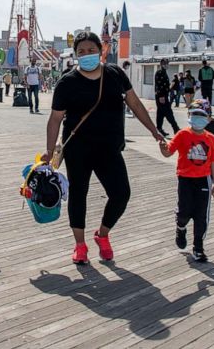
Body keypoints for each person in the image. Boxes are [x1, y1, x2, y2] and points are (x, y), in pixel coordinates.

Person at [45, 31, 165, 264]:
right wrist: (49, 151)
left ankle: (103, 234)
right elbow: (55, 119)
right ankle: (80, 245)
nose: (86, 55)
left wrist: (154, 131)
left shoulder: (115, 74)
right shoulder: (67, 82)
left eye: (91, 50)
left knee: (121, 194)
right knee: (79, 194)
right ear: (75, 55)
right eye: (81, 52)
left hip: (109, 148)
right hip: (77, 149)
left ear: (101, 51)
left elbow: (135, 104)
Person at [159, 102, 214, 262]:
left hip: (203, 180)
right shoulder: (182, 135)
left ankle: (198, 248)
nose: (198, 118)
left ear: (209, 118)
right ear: (189, 116)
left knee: (201, 215)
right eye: (195, 114)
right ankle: (181, 227)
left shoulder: (211, 138)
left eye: (202, 115)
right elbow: (168, 152)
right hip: (185, 179)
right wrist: (163, 147)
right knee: (184, 212)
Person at [154, 58, 180, 136]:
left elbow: (164, 85)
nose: (167, 65)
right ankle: (175, 128)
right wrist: (161, 96)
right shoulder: (160, 72)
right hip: (161, 96)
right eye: (165, 64)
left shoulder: (164, 72)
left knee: (160, 113)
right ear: (162, 64)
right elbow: (159, 85)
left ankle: (159, 128)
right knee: (168, 112)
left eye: (167, 63)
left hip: (163, 95)